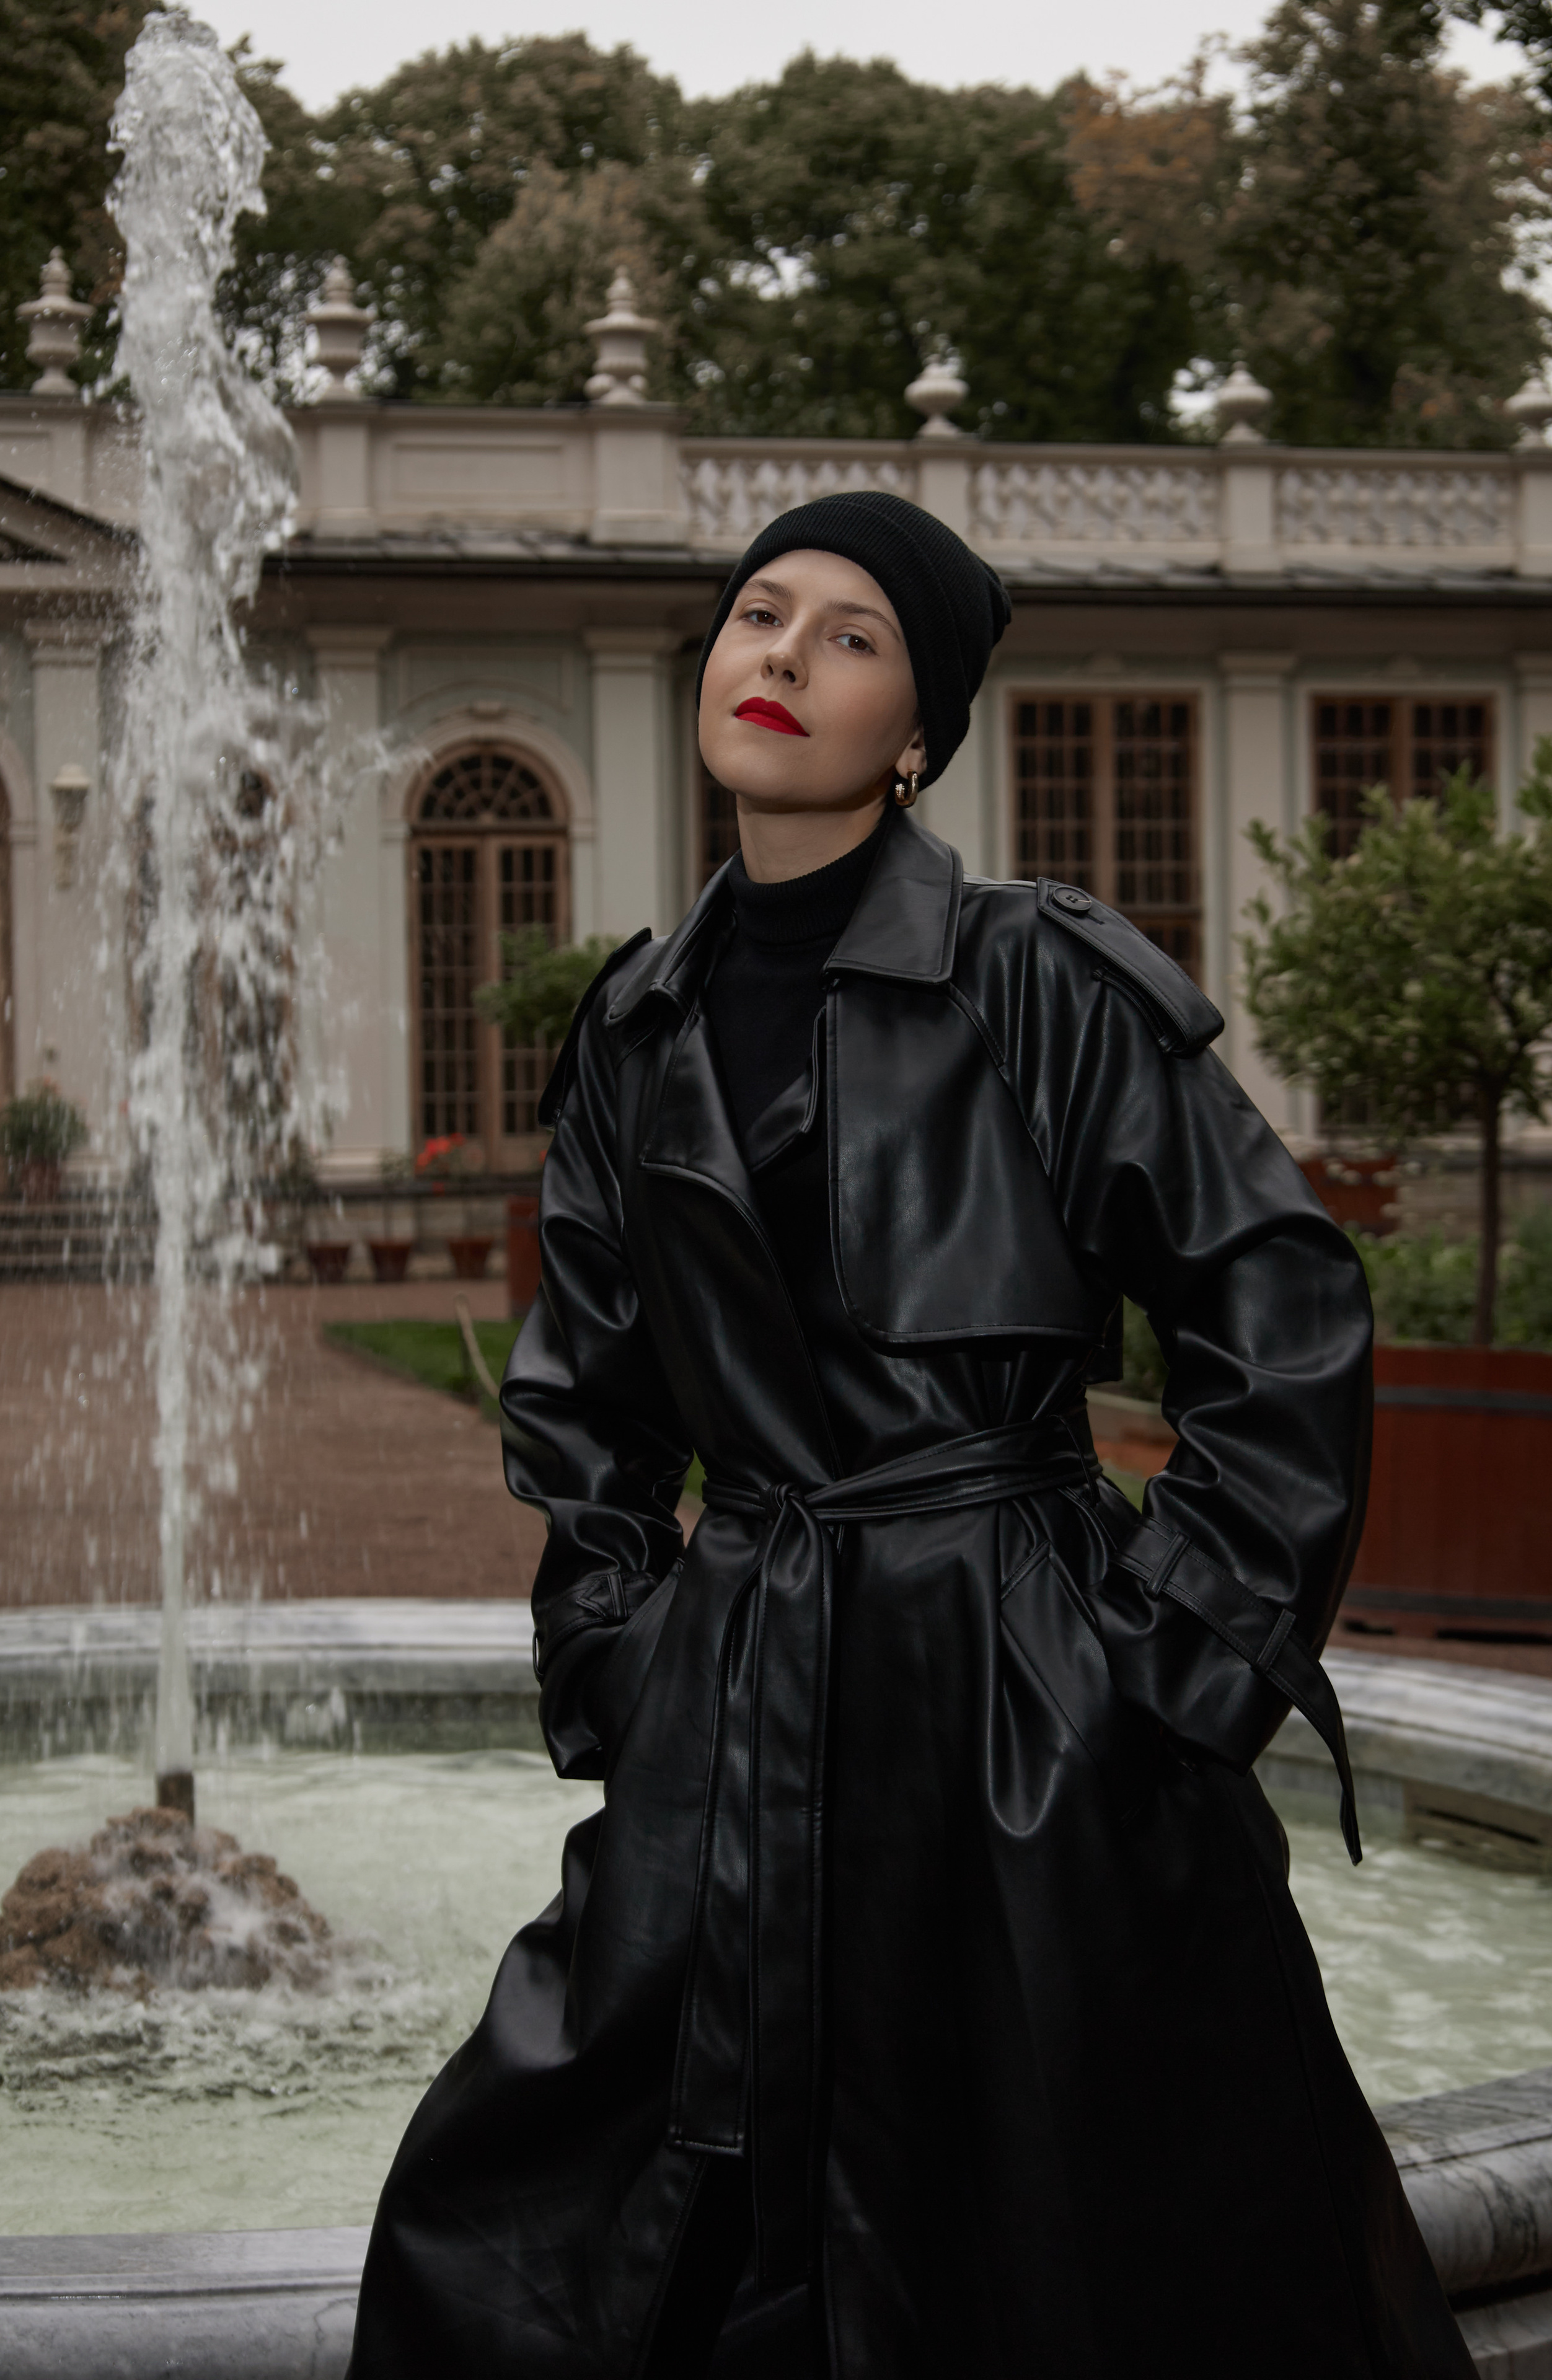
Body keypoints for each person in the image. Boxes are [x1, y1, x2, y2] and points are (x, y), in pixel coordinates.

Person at [348, 493, 1472, 2379]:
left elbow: (1281, 1318)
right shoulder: (639, 1025)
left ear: (922, 734)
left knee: (1064, 2251)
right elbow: (587, 1405)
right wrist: (628, 1657)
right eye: (758, 614)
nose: (779, 655)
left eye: (847, 636)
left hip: (1025, 1718)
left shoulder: (1039, 973)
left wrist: (1155, 1691)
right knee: (508, 2222)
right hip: (736, 1699)